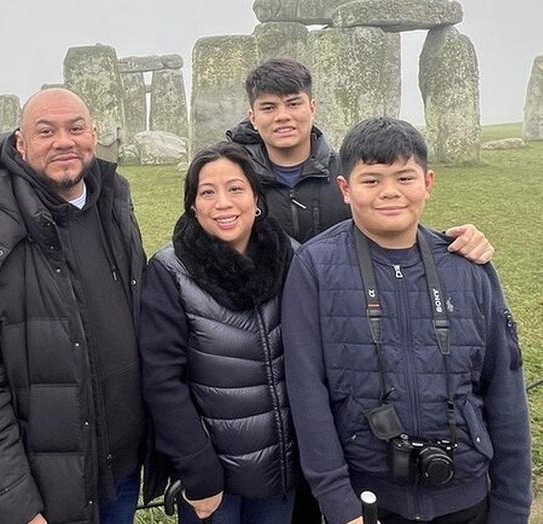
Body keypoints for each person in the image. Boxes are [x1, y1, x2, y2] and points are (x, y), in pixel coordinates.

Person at [282, 117, 531, 524]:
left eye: (404, 177)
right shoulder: (314, 267)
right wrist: (337, 500)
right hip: (368, 499)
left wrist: (512, 505)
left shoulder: (468, 266)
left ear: (428, 182)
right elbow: (307, 389)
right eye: (371, 180)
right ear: (345, 189)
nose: (390, 192)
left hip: (465, 495)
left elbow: (505, 389)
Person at [0, 88, 152, 524]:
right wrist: (16, 507)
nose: (64, 141)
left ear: (93, 134)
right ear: (20, 143)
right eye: (46, 131)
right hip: (48, 485)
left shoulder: (113, 203)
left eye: (76, 128)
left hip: (123, 466)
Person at [140, 142, 299, 524]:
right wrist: (198, 469)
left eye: (235, 188)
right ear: (192, 204)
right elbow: (162, 380)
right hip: (212, 474)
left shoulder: (290, 256)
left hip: (281, 468)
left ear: (256, 197)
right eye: (207, 192)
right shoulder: (170, 271)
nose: (222, 203)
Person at [226, 58, 492, 259]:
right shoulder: (236, 180)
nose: (282, 116)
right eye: (269, 108)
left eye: (293, 103)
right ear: (253, 117)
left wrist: (454, 242)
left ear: (312, 107)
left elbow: (394, 222)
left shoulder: (352, 173)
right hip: (264, 311)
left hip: (345, 302)